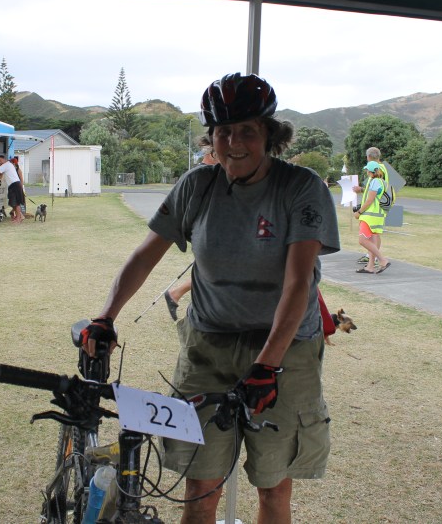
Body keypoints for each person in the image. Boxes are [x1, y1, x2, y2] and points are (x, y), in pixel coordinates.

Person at [80, 73, 340, 524]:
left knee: (273, 486)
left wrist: (267, 365)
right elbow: (145, 255)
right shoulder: (197, 185)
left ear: (269, 135)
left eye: (247, 131)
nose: (234, 143)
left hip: (285, 351)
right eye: (223, 131)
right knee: (200, 486)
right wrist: (106, 317)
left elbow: (298, 282)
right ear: (211, 137)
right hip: (208, 346)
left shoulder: (300, 187)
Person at [164, 146, 217, 320]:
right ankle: (176, 294)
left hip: (206, 234)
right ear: (211, 154)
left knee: (210, 272)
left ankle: (175, 294)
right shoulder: (202, 175)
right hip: (204, 234)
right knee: (211, 272)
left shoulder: (209, 173)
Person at [352, 146, 390, 265]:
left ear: (368, 157)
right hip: (375, 208)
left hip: (373, 209)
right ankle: (372, 261)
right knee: (374, 234)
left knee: (371, 235)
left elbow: (376, 190)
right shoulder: (382, 168)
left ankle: (375, 257)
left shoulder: (378, 169)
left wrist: (360, 210)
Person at [0, 154, 24, 224]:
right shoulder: (8, 165)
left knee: (16, 203)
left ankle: (18, 218)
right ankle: (19, 216)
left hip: (15, 184)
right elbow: (0, 173)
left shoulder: (6, 165)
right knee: (13, 203)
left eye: (0, 160)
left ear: (4, 159)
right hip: (13, 185)